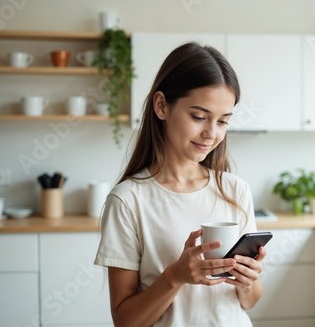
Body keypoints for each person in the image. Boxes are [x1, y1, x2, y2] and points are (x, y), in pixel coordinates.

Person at [94, 41, 266, 327]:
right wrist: (175, 276)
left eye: (223, 121)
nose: (211, 133)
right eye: (199, 117)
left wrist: (248, 282)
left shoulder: (235, 190)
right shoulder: (128, 201)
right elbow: (125, 321)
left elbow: (249, 301)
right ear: (161, 106)